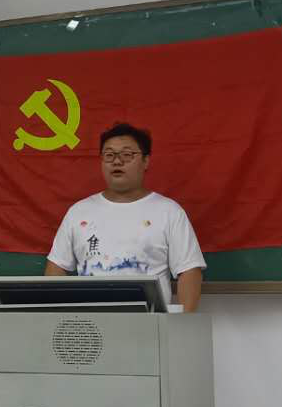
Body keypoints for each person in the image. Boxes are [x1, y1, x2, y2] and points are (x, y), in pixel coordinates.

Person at [43, 123, 206, 311]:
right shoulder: (78, 212)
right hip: (90, 324)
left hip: (149, 323)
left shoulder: (169, 212)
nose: (117, 161)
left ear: (146, 161)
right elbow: (56, 267)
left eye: (127, 155)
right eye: (109, 155)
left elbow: (189, 271)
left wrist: (183, 322)